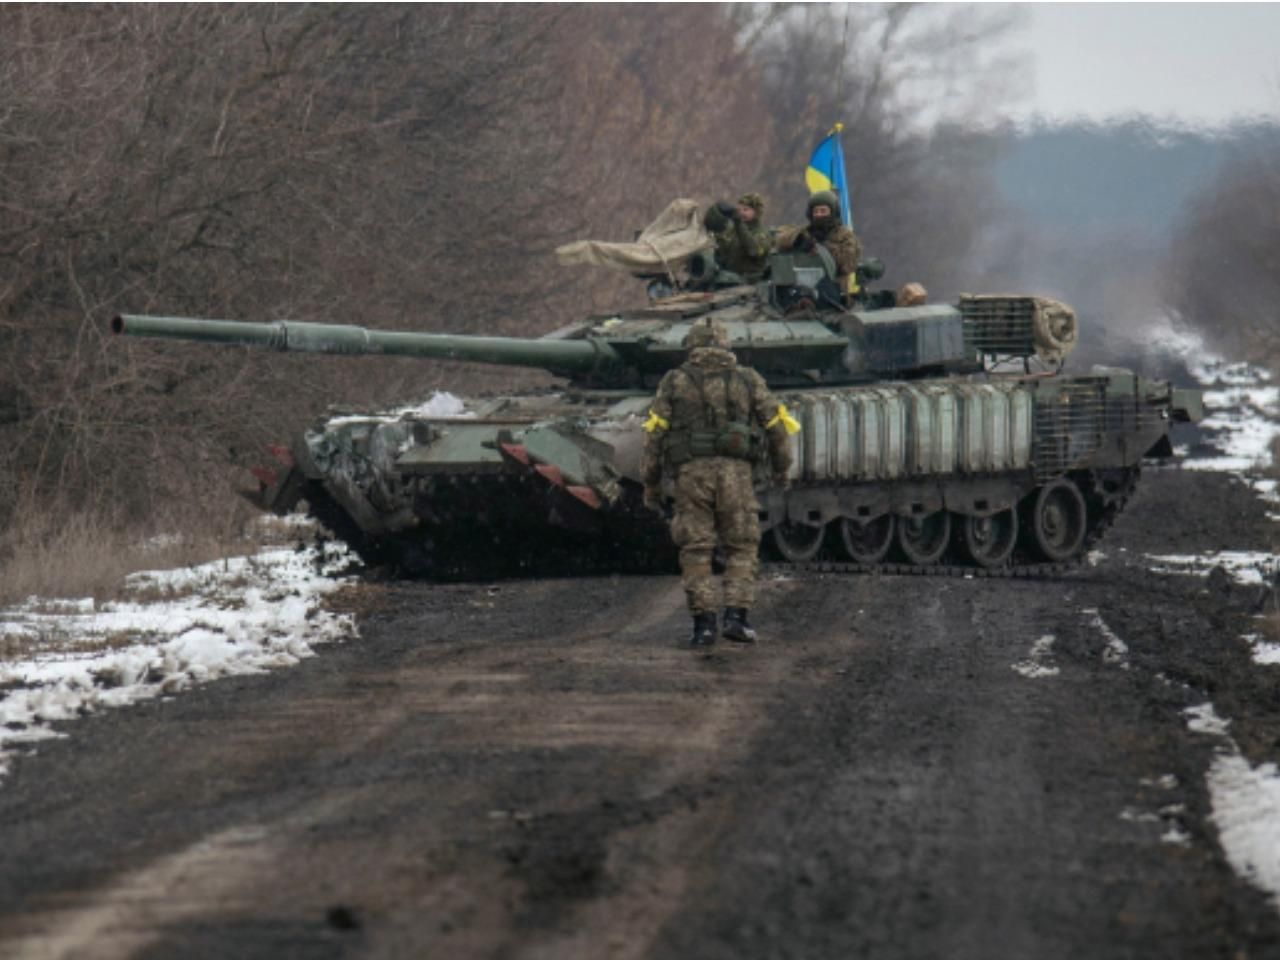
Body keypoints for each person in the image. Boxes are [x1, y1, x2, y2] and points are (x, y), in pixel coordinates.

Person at [640, 317, 797, 648]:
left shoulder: (675, 381)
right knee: (741, 546)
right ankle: (737, 619)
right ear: (726, 345)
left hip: (691, 477)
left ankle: (704, 625)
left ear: (692, 347)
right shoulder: (747, 379)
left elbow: (654, 435)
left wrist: (651, 484)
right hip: (736, 475)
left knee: (696, 548)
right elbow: (776, 427)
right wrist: (782, 469)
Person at [776, 189, 862, 291]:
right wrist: (797, 240)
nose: (819, 215)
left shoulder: (845, 236)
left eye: (823, 211)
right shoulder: (806, 232)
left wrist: (821, 247)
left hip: (835, 294)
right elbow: (779, 240)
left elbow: (847, 264)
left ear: (833, 212)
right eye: (816, 211)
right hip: (801, 291)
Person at [702, 192, 773, 280]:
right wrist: (717, 215)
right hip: (730, 279)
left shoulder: (763, 235)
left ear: (756, 212)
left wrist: (738, 223)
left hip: (752, 281)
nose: (741, 213)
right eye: (739, 210)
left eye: (746, 209)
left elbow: (754, 251)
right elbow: (723, 249)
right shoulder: (734, 231)